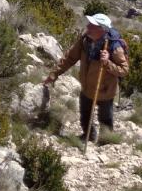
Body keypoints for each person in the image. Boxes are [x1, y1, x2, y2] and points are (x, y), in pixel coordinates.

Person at [43, 12, 129, 142]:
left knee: (105, 118)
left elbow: (124, 70)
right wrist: (54, 74)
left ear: (101, 29)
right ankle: (88, 135)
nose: (88, 26)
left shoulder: (114, 46)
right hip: (87, 87)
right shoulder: (85, 40)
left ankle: (106, 141)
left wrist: (107, 63)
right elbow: (69, 58)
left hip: (105, 90)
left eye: (92, 25)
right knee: (85, 115)